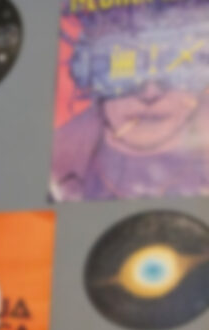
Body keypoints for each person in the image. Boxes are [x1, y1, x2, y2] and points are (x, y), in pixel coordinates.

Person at [51, 2, 209, 201]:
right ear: (85, 70)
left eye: (176, 65)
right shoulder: (54, 159)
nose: (150, 93)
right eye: (124, 65)